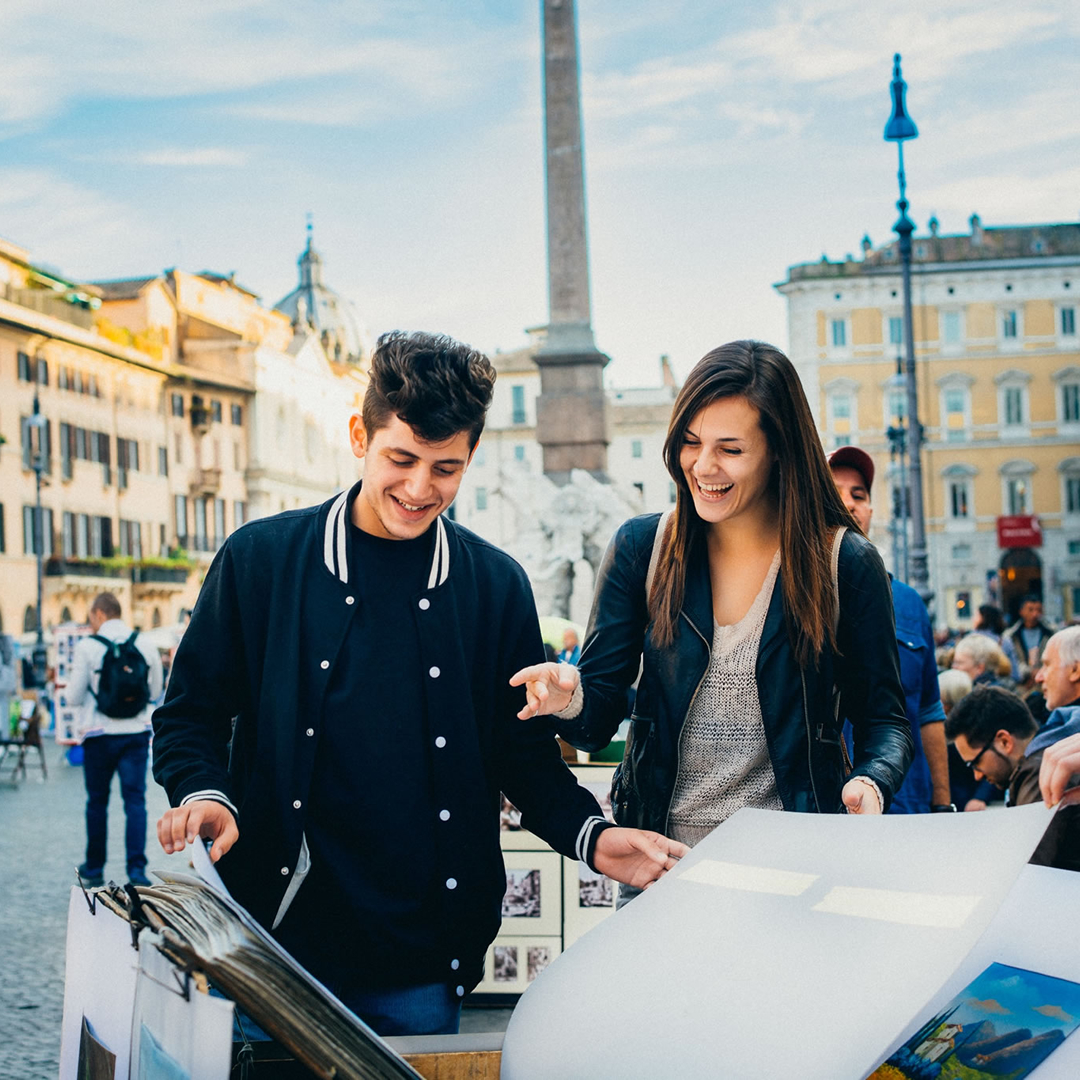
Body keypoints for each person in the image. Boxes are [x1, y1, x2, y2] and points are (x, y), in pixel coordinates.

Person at [152, 331, 686, 1036]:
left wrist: (594, 837)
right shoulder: (260, 560)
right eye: (400, 459)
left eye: (446, 469)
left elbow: (519, 757)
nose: (418, 488)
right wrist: (205, 795)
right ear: (359, 435)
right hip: (271, 943)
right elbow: (188, 714)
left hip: (421, 958)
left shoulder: (495, 585)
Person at [511, 340, 912, 890]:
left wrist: (871, 781)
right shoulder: (641, 547)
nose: (703, 466)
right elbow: (599, 716)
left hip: (795, 871)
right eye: (691, 443)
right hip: (662, 872)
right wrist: (567, 696)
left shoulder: (846, 562)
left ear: (779, 450)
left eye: (730, 449)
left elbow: (886, 721)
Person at [828, 445, 952, 814]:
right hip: (830, 811)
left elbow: (929, 711)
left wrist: (943, 803)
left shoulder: (910, 603)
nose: (848, 504)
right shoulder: (790, 598)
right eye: (834, 493)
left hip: (906, 806)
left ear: (869, 510)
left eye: (859, 495)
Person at [66, 592, 163, 887]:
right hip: (135, 733)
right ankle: (137, 870)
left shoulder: (87, 647)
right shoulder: (145, 644)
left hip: (98, 735)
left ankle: (94, 866)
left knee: (97, 802)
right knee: (135, 802)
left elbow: (73, 696)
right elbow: (156, 689)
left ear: (98, 614)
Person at [946, 686, 1080, 872]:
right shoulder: (1042, 760)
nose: (977, 776)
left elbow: (1028, 868)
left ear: (1004, 741)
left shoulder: (1038, 772)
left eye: (975, 763)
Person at [1003, 595, 1056, 686]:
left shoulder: (1051, 633)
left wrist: (1042, 671)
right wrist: (1029, 672)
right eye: (1030, 610)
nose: (1035, 614)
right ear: (1021, 612)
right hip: (1021, 685)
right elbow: (1010, 660)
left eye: (1039, 610)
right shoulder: (1011, 636)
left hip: (1046, 682)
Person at [973, 604, 1021, 681]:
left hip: (977, 685)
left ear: (983, 618)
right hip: (1000, 686)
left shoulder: (971, 640)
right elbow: (1016, 674)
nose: (973, 619)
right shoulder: (1005, 641)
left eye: (976, 616)